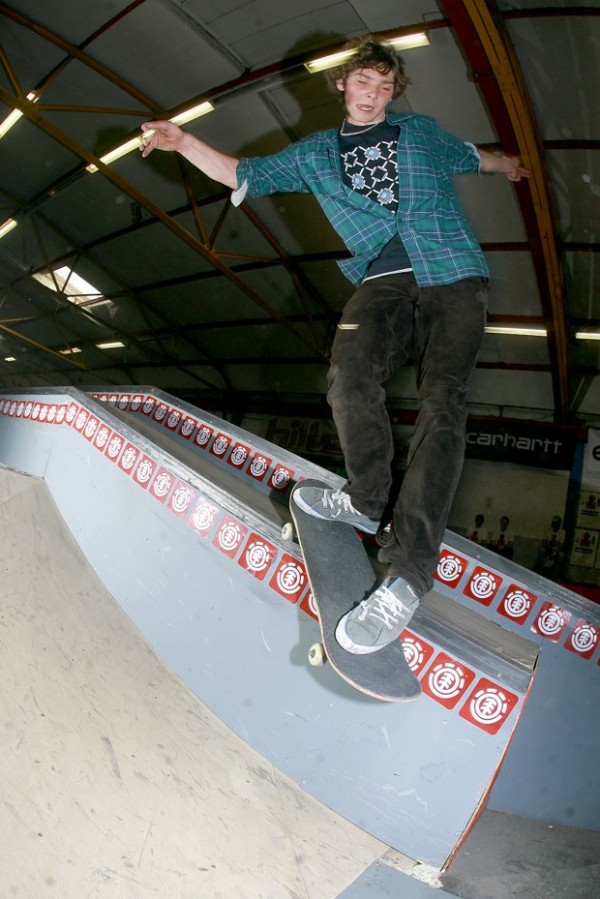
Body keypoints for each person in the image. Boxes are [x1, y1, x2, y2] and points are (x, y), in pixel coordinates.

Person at [141, 36, 530, 655]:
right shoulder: (316, 154)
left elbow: (470, 157)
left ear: (393, 93)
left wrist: (506, 164)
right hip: (383, 276)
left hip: (454, 271)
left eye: (384, 86)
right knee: (348, 375)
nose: (373, 95)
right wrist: (183, 141)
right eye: (363, 82)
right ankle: (365, 499)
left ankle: (406, 576)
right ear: (343, 84)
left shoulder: (421, 133)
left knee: (443, 403)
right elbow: (244, 173)